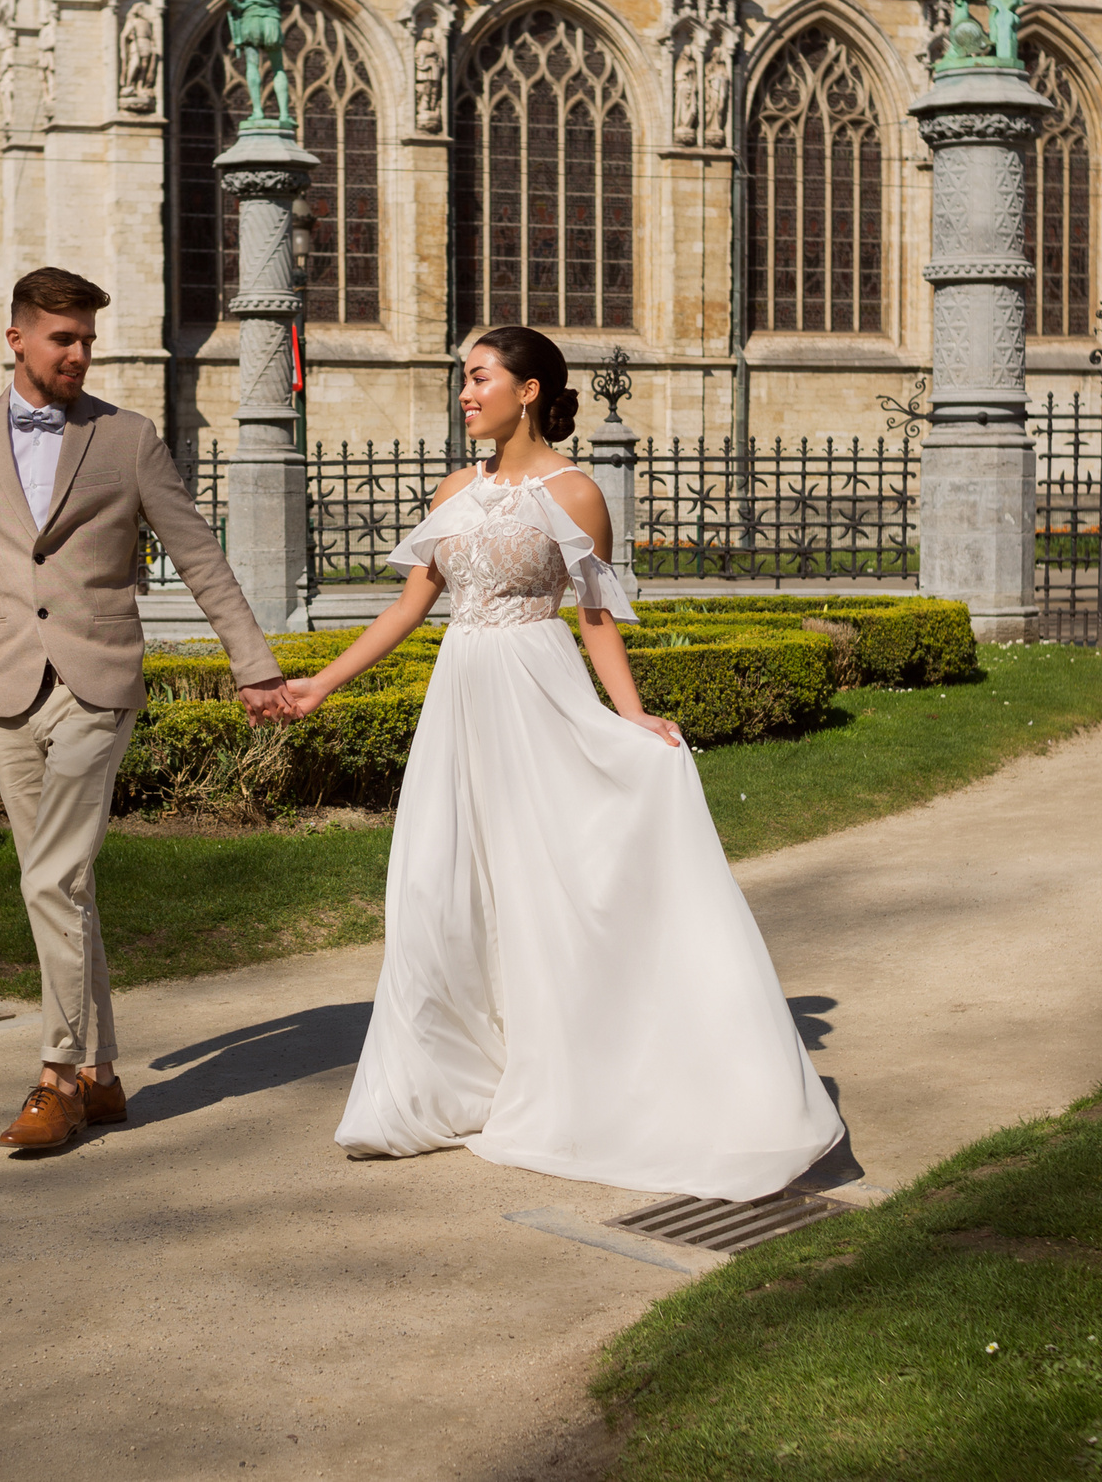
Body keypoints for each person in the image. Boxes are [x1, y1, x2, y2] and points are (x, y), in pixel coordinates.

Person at [279, 326, 845, 1201]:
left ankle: (579, 1068)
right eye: (461, 381)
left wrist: (633, 717)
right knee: (440, 883)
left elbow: (595, 616)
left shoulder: (576, 493)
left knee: (555, 883)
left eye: (478, 378)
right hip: (460, 700)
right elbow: (410, 606)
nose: (464, 394)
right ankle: (452, 1080)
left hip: (536, 694)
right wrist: (320, 684)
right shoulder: (454, 490)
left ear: (529, 388)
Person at [0, 266, 292, 1151]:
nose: (77, 354)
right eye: (62, 339)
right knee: (66, 885)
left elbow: (200, 558)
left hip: (97, 686)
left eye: (85, 341)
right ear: (18, 340)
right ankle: (106, 1077)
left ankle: (54, 1075)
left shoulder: (128, 438)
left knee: (48, 877)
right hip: (9, 693)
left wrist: (252, 664)